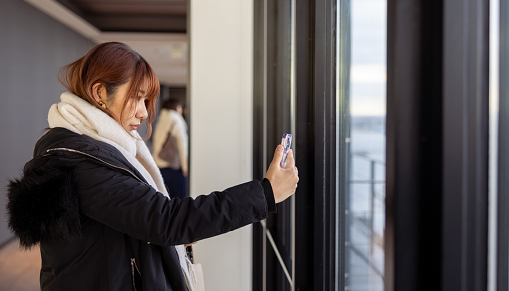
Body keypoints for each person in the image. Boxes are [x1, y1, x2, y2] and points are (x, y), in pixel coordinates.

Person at [6, 42, 299, 290]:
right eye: (136, 97)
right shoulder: (81, 161)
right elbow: (166, 221)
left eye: (146, 100)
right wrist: (266, 192)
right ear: (99, 93)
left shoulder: (91, 149)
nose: (145, 112)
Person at [152, 98, 188, 199]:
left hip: (159, 163)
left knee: (165, 197)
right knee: (178, 199)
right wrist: (185, 167)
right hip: (173, 165)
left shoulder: (161, 120)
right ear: (176, 107)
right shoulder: (177, 120)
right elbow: (182, 145)